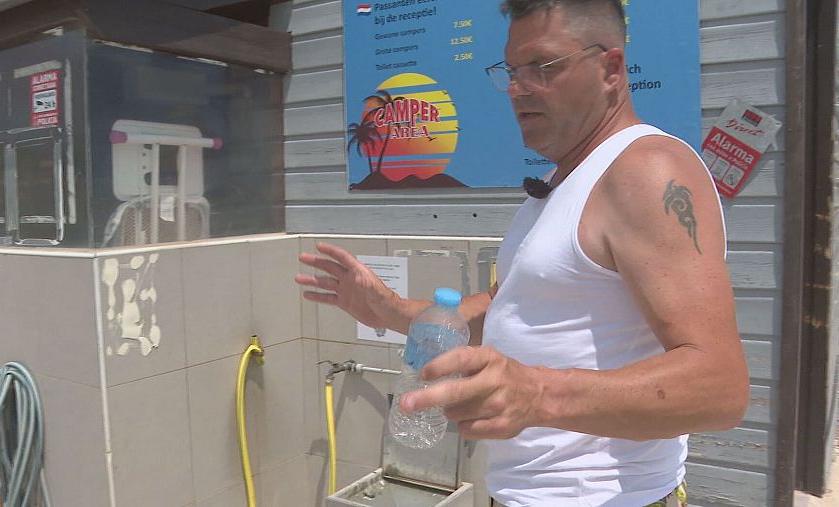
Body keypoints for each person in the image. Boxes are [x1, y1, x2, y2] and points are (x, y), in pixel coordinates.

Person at [295, 1, 749, 505]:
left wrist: (537, 394)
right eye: (512, 70)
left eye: (544, 67)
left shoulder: (646, 170)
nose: (518, 88)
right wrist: (389, 311)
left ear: (610, 69)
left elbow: (719, 387)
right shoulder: (563, 183)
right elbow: (505, 310)